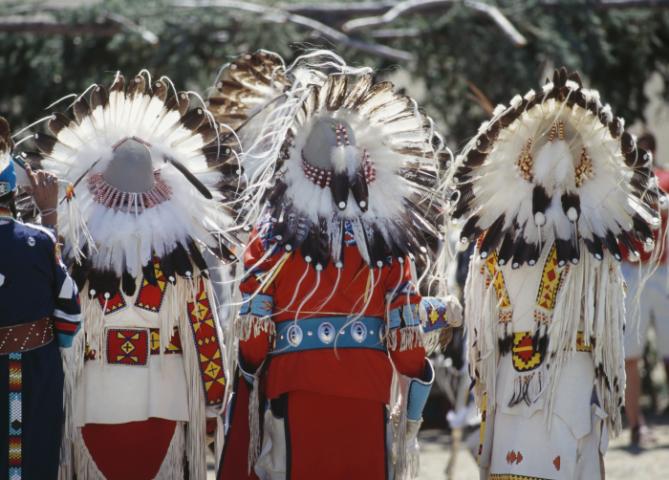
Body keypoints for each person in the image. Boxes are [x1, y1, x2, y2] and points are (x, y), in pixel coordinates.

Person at [212, 50, 461, 480]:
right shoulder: (387, 245)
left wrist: (251, 375)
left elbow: (253, 341)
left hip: (296, 392)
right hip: (366, 397)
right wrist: (416, 389)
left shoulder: (273, 239)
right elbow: (405, 345)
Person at [448, 68, 662, 479]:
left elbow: (604, 330)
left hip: (568, 379)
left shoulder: (589, 250)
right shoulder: (495, 243)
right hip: (513, 378)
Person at [31, 72, 238, 479]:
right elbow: (204, 334)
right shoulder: (182, 264)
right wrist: (214, 399)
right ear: (160, 189)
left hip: (93, 400)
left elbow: (51, 317)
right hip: (163, 398)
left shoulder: (76, 256)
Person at [0, 116, 81, 479]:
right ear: (13, 192)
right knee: (32, 457)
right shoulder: (41, 241)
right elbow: (69, 315)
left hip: (32, 367)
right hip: (34, 371)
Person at [621, 132, 669, 448]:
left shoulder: (663, 179)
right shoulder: (621, 183)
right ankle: (636, 424)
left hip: (661, 270)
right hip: (632, 271)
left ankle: (640, 423)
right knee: (630, 356)